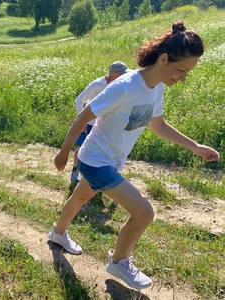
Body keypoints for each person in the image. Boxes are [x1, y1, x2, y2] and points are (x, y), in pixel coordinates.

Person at [48, 21, 220, 290]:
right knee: (144, 213)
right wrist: (63, 153)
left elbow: (158, 124)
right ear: (164, 59)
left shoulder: (158, 85)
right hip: (94, 159)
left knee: (81, 196)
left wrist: (195, 146)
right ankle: (119, 261)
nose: (183, 78)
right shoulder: (124, 87)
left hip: (111, 160)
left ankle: (57, 234)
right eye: (182, 70)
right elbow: (84, 116)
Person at [70, 61, 130, 184]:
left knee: (105, 151)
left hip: (106, 126)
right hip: (90, 125)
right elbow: (79, 101)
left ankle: (105, 176)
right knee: (82, 149)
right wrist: (82, 121)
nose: (125, 77)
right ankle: (75, 171)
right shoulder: (97, 85)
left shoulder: (120, 86)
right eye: (122, 74)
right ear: (114, 75)